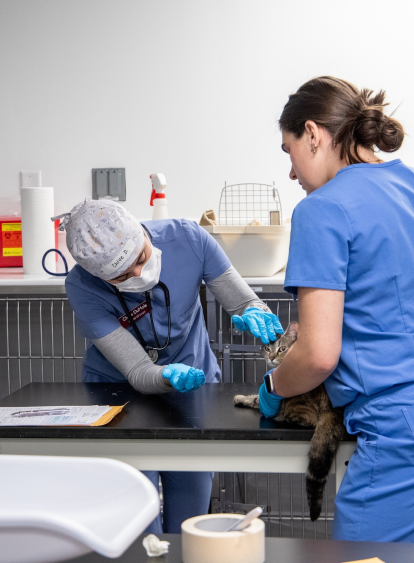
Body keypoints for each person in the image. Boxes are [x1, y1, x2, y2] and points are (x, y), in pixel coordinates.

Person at [256, 76, 414, 563]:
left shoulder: (321, 210)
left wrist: (273, 388)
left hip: (413, 425)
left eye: (288, 152)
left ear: (313, 133)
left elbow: (318, 356)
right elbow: (405, 293)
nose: (291, 172)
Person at [60, 199, 283, 534]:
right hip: (118, 398)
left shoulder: (189, 240)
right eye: (122, 276)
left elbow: (243, 299)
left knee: (189, 523)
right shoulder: (81, 287)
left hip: (195, 389)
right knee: (137, 523)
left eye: (141, 258)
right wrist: (164, 375)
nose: (137, 274)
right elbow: (136, 370)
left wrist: (253, 310)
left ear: (142, 234)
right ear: (98, 276)